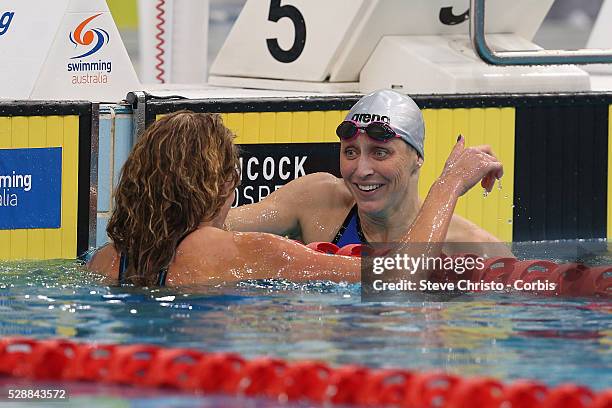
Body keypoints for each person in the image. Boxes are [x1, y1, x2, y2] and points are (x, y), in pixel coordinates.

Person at [87, 110, 503, 287]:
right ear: (219, 184)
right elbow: (399, 277)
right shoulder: (248, 251)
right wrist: (449, 184)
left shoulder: (106, 259)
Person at [227, 89, 510, 256]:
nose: (361, 170)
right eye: (351, 152)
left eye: (380, 152)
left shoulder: (472, 247)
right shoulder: (316, 201)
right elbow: (214, 225)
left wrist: (450, 183)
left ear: (417, 158)